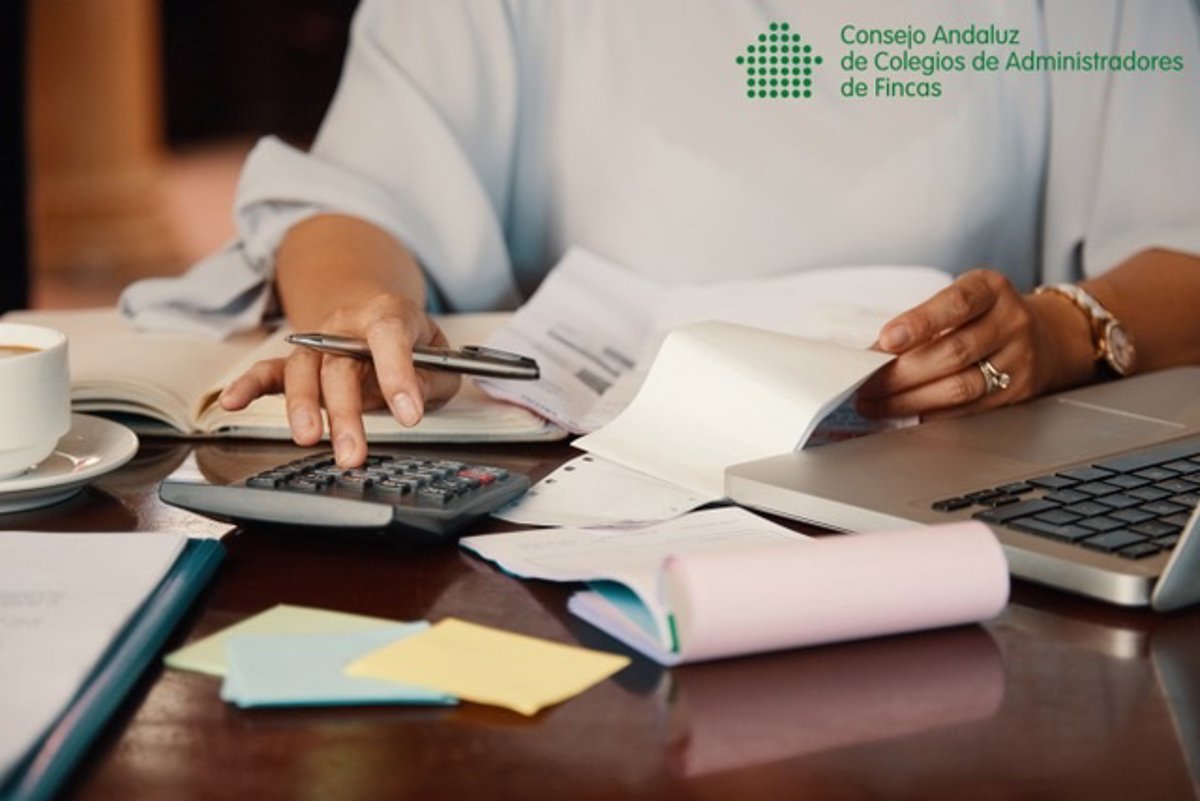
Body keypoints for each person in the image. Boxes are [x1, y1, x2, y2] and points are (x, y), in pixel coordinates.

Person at [121, 1, 1200, 469]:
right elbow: (356, 196)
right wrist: (362, 309)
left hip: (954, 495)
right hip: (591, 496)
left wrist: (1062, 332)